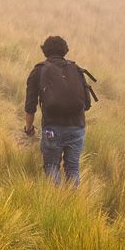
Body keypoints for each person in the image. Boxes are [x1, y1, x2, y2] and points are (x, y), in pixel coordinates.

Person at [24, 36, 96, 187]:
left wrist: (29, 128)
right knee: (72, 167)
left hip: (52, 129)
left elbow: (30, 106)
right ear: (65, 50)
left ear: (45, 51)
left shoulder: (39, 71)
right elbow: (87, 104)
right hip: (77, 128)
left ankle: (56, 202)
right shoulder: (76, 69)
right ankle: (72, 204)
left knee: (51, 166)